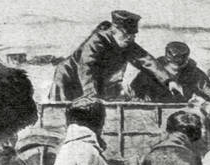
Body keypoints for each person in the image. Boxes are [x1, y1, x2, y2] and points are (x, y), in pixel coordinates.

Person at [49, 10, 177, 101]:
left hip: (95, 83)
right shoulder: (96, 41)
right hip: (69, 78)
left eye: (133, 36)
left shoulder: (126, 43)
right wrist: (91, 97)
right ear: (114, 31)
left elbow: (146, 60)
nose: (130, 39)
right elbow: (87, 69)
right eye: (126, 35)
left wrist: (168, 80)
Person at [123, 41, 210, 105]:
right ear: (166, 62)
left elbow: (208, 88)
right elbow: (134, 92)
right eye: (173, 67)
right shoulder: (150, 72)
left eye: (180, 67)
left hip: (180, 108)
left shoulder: (192, 71)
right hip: (153, 109)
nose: (176, 71)